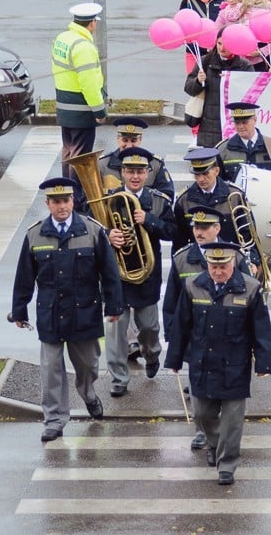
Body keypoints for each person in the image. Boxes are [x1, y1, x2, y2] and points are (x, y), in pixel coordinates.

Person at [10, 177, 123, 442]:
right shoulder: (35, 234)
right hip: (50, 314)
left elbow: (109, 272)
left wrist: (114, 305)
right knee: (51, 370)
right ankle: (54, 419)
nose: (62, 206)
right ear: (47, 204)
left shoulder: (92, 231)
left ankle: (88, 393)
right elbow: (24, 276)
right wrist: (19, 309)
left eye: (66, 200)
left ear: (73, 201)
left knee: (88, 366)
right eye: (56, 202)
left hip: (84, 312)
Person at [165, 240, 271, 486]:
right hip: (202, 363)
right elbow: (181, 325)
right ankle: (214, 443)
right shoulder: (193, 286)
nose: (218, 271)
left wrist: (264, 363)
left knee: (232, 421)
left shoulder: (250, 288)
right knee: (203, 414)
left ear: (233, 262)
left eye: (223, 265)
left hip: (235, 365)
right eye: (213, 266)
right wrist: (174, 359)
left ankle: (227, 464)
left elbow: (261, 330)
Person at [104, 148, 175, 397]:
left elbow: (172, 232)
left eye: (140, 172)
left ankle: (152, 354)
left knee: (149, 327)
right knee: (115, 331)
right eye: (130, 171)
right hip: (116, 277)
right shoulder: (109, 199)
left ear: (147, 173)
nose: (135, 176)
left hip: (146, 275)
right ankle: (118, 379)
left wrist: (150, 220)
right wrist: (107, 235)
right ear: (122, 172)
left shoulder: (158, 200)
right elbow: (91, 229)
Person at [51, 2, 106, 180]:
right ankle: (75, 196)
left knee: (68, 152)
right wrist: (99, 111)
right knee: (80, 158)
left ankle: (66, 191)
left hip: (64, 107)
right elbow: (88, 83)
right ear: (91, 23)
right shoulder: (84, 47)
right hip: (81, 111)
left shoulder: (63, 38)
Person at [183, 32, 254, 147]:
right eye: (219, 43)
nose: (222, 48)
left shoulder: (244, 66)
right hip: (210, 127)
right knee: (213, 162)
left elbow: (252, 93)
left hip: (236, 125)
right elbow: (189, 88)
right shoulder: (205, 62)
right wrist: (198, 81)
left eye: (226, 44)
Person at [98, 116, 174, 202]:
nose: (129, 145)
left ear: (140, 139)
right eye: (125, 140)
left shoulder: (155, 164)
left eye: (133, 141)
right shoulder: (102, 164)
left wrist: (147, 212)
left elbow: (166, 196)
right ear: (118, 138)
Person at [216, 101, 271, 184]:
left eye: (245, 122)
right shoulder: (223, 150)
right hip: (236, 196)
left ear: (255, 119)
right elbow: (217, 181)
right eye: (237, 123)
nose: (240, 126)